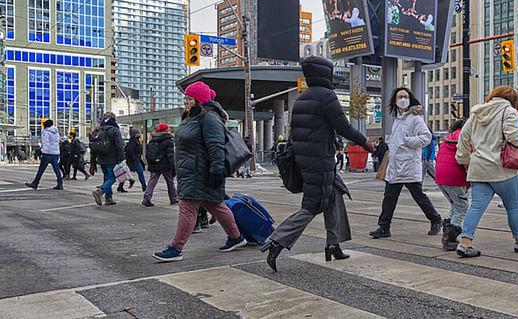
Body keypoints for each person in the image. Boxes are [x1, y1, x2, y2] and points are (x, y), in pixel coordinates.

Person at [261, 57, 374, 271]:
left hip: (307, 159)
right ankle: (277, 240)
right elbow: (344, 128)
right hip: (320, 160)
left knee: (334, 194)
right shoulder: (326, 97)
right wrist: (365, 142)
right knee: (312, 205)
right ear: (325, 74)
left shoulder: (302, 98)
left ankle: (334, 244)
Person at [153, 82, 245, 261]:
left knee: (187, 208)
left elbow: (216, 146)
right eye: (185, 98)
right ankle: (236, 238)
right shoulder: (192, 117)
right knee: (214, 205)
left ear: (199, 100)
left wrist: (216, 172)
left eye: (189, 99)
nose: (185, 102)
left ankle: (176, 248)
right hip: (192, 171)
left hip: (200, 172)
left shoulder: (209, 118)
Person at [455, 85, 518, 257]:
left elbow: (463, 138)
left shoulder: (477, 113)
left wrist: (464, 160)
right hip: (502, 170)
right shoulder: (509, 112)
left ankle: (465, 243)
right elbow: (515, 137)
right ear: (512, 101)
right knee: (513, 206)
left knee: (476, 207)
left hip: (478, 169)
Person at [369, 87, 443, 239]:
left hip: (408, 165)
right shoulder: (397, 118)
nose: (403, 99)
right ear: (395, 101)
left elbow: (426, 137)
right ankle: (384, 227)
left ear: (410, 99)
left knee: (418, 196)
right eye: (399, 97)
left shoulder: (415, 118)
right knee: (389, 198)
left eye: (405, 96)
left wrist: (408, 141)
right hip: (396, 167)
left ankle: (436, 219)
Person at [435, 119, 468, 251]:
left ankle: (448, 233)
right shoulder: (465, 138)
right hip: (454, 176)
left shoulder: (447, 139)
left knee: (455, 203)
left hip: (440, 176)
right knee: (462, 205)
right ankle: (450, 237)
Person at [90, 113, 126, 206]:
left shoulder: (99, 129)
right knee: (112, 178)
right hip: (112, 158)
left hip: (101, 158)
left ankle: (108, 198)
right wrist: (121, 158)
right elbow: (119, 145)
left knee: (106, 177)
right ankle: (100, 191)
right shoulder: (114, 130)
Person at [142, 123, 177, 207]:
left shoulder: (152, 139)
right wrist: (173, 166)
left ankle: (147, 197)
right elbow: (170, 155)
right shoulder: (168, 140)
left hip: (154, 163)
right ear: (166, 130)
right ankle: (173, 198)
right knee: (170, 181)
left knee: (152, 180)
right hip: (165, 164)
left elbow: (148, 153)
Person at [25, 119, 64, 190]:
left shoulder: (46, 132)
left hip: (48, 153)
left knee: (41, 169)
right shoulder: (56, 132)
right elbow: (58, 142)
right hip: (55, 153)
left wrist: (43, 152)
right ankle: (60, 183)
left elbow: (45, 143)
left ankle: (35, 183)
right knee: (57, 169)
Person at [122, 128, 147, 193]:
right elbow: (129, 151)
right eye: (137, 134)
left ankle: (144, 186)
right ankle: (120, 186)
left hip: (136, 160)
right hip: (132, 161)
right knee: (127, 174)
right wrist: (134, 158)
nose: (138, 135)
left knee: (138, 172)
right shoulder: (132, 143)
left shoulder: (137, 142)